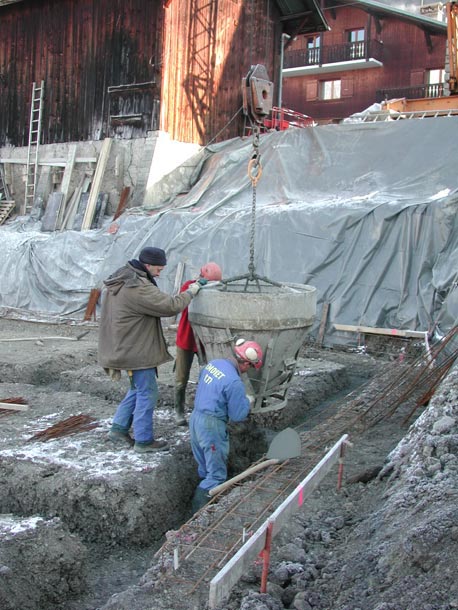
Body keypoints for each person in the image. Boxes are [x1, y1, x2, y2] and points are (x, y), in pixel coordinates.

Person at [98, 246, 205, 453]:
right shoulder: (138, 286)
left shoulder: (123, 276)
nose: (161, 272)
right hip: (135, 349)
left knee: (137, 389)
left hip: (122, 345)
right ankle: (144, 440)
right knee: (147, 392)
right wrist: (191, 291)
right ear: (147, 265)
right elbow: (170, 306)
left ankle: (119, 429)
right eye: (159, 268)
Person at [189, 338, 263, 511]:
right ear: (245, 362)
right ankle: (198, 515)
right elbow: (237, 415)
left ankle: (201, 495)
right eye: (250, 366)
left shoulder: (213, 364)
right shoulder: (234, 382)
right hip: (211, 427)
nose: (247, 371)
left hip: (196, 419)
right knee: (216, 476)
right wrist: (247, 401)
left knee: (205, 467)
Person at [174, 262, 223, 426]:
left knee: (209, 378)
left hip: (205, 342)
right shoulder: (189, 286)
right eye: (208, 282)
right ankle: (179, 411)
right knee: (181, 378)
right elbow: (181, 299)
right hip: (186, 340)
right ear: (201, 277)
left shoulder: (217, 290)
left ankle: (207, 409)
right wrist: (196, 287)